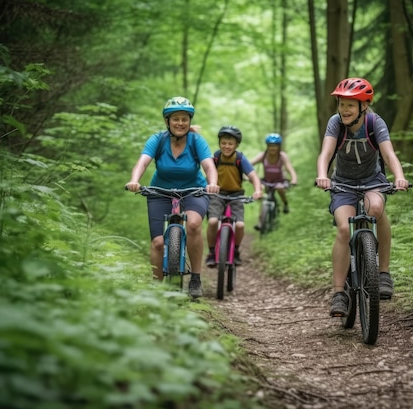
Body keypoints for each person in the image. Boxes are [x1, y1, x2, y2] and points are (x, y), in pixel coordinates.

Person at [315, 78, 408, 317]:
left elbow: (389, 154)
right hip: (342, 184)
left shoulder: (375, 123)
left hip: (372, 182)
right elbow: (325, 153)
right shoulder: (335, 123)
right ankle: (338, 293)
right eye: (341, 104)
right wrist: (322, 175)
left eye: (350, 105)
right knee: (345, 229)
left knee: (376, 209)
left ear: (363, 106)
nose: (344, 110)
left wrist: (399, 177)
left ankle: (383, 272)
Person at [125, 96, 219, 299]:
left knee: (193, 224)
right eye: (175, 118)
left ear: (189, 121)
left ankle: (195, 278)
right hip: (160, 192)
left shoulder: (196, 141)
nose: (180, 123)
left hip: (194, 191)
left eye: (184, 119)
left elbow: (209, 166)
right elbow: (143, 162)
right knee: (158, 243)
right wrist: (134, 180)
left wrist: (212, 183)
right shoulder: (157, 140)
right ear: (167, 121)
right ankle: (156, 289)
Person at [205, 126, 262, 268]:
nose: (227, 146)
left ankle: (235, 250)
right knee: (212, 222)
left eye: (230, 144)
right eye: (224, 143)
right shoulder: (216, 157)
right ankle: (212, 252)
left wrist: (257, 190)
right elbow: (207, 173)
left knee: (240, 225)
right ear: (219, 143)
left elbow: (253, 176)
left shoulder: (240, 159)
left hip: (236, 196)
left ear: (236, 145)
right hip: (217, 194)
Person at [250, 133, 298, 220]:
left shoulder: (282, 156)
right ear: (267, 146)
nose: (272, 148)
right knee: (261, 191)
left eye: (275, 146)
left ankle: (285, 203)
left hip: (279, 181)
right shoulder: (263, 155)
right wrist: (247, 175)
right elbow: (249, 165)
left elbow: (290, 169)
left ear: (279, 146)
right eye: (270, 146)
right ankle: (261, 220)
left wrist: (294, 179)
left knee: (279, 188)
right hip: (266, 180)